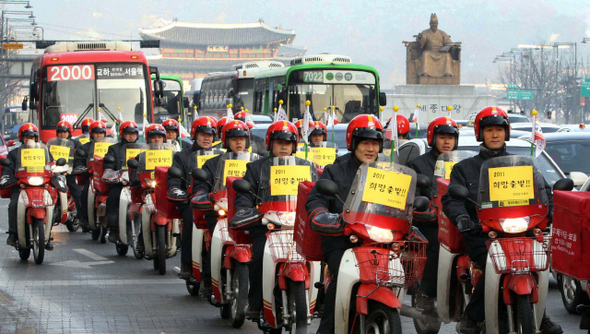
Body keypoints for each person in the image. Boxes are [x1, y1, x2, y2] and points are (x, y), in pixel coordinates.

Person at [441, 107, 562, 334]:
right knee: (493, 266)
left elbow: (544, 192)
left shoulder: (524, 165)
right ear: (480, 133)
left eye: (499, 129)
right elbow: (452, 200)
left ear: (506, 133)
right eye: (489, 130)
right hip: (482, 234)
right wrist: (462, 218)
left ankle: (540, 315)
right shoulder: (463, 169)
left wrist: (553, 210)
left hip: (522, 231)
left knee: (537, 267)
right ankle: (473, 317)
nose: (494, 134)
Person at [305, 114, 384, 334]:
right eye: (365, 143)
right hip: (343, 239)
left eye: (375, 143)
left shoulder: (386, 173)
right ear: (353, 143)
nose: (370, 148)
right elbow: (316, 199)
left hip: (378, 239)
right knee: (342, 279)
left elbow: (401, 204)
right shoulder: (335, 171)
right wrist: (322, 215)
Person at [234, 120, 314, 318]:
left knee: (320, 257)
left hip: (298, 225)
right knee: (259, 255)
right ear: (270, 144)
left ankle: (318, 301)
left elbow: (316, 193)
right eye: (279, 142)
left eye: (288, 142)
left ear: (295, 145)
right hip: (266, 225)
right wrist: (245, 209)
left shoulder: (307, 167)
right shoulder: (256, 168)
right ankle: (255, 302)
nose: (284, 146)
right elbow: (245, 193)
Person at [191, 119, 252, 297]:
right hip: (219, 211)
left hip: (247, 213)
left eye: (242, 138)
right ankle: (208, 280)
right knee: (212, 241)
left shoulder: (256, 164)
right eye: (234, 139)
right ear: (226, 141)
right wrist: (203, 195)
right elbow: (201, 185)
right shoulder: (212, 163)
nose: (238, 142)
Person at [406, 116, 459, 311]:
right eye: (442, 137)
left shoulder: (463, 165)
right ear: (432, 138)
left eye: (451, 138)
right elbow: (412, 197)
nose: (447, 142)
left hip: (457, 220)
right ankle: (426, 292)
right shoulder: (417, 165)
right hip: (429, 222)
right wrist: (425, 210)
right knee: (438, 243)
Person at [167, 116, 217, 279]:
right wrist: (176, 189)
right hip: (191, 200)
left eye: (210, 135)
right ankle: (187, 263)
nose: (207, 138)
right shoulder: (182, 156)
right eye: (203, 134)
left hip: (218, 202)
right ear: (195, 134)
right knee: (189, 218)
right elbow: (174, 179)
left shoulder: (221, 156)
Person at [1, 123, 54, 249]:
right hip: (21, 186)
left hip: (40, 185)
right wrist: (9, 178)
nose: (29, 139)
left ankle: (47, 235)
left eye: (32, 136)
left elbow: (50, 165)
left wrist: (55, 173)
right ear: (21, 137)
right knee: (13, 204)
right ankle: (13, 234)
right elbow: (8, 169)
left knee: (52, 203)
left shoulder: (43, 151)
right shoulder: (13, 154)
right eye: (26, 136)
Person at [103, 121, 140, 242]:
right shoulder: (113, 149)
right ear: (122, 134)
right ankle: (113, 228)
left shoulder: (142, 148)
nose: (131, 136)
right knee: (113, 198)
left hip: (137, 183)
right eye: (128, 134)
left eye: (133, 134)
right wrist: (113, 173)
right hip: (120, 183)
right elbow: (108, 165)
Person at [72, 121, 107, 229]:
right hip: (91, 177)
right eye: (97, 133)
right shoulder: (84, 148)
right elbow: (78, 162)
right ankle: (84, 217)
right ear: (92, 133)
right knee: (84, 191)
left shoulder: (110, 147)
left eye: (101, 133)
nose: (99, 135)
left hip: (106, 177)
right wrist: (84, 168)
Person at [55, 121, 83, 225]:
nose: (62, 134)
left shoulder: (76, 144)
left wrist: (75, 167)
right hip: (56, 173)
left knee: (77, 191)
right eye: (60, 132)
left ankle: (82, 216)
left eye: (65, 132)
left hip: (70, 173)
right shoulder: (52, 144)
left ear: (69, 132)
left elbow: (80, 157)